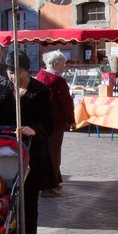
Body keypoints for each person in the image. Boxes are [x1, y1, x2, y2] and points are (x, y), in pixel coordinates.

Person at [0, 53, 55, 234]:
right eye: (10, 72)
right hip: (6, 154)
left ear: (27, 71)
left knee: (29, 203)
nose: (14, 76)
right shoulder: (3, 90)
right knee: (4, 200)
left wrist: (35, 130)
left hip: (31, 155)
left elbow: (49, 122)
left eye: (18, 72)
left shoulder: (40, 91)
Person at [36, 51, 75, 194]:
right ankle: (50, 186)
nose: (64, 66)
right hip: (56, 122)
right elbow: (65, 103)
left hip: (40, 123)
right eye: (62, 64)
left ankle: (53, 181)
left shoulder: (39, 77)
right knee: (54, 154)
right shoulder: (58, 81)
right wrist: (71, 120)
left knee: (44, 152)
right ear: (54, 64)